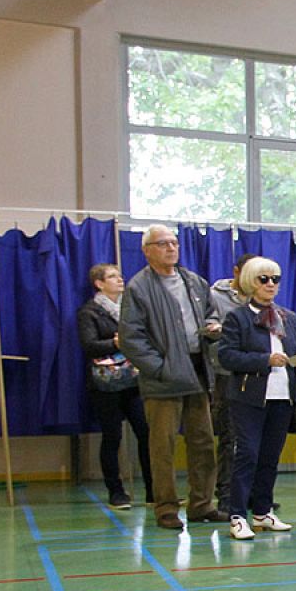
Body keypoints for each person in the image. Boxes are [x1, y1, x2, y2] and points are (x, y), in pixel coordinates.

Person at [118, 224, 224, 531]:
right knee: (162, 446)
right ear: (147, 250)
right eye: (162, 244)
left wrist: (213, 327)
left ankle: (201, 504)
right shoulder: (139, 288)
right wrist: (161, 368)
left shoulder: (194, 281)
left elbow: (211, 313)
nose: (170, 248)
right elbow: (131, 338)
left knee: (203, 441)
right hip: (163, 378)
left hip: (198, 369)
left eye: (174, 243)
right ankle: (165, 507)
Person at [217, 257, 296, 540]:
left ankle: (262, 511)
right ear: (250, 281)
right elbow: (226, 355)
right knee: (247, 454)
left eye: (275, 279)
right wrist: (264, 360)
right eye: (264, 279)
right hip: (249, 397)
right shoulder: (238, 317)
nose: (271, 284)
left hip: (283, 396)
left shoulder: (288, 317)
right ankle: (237, 515)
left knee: (270, 457)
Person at [76, 263, 153, 509]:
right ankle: (116, 491)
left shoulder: (129, 310)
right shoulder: (89, 312)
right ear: (99, 283)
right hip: (105, 384)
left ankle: (154, 490)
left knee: (146, 432)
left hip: (133, 380)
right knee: (112, 436)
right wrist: (117, 342)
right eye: (112, 277)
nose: (120, 280)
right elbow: (89, 345)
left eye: (120, 275)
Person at [207, 254, 256, 515]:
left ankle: (252, 492)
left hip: (256, 374)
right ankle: (226, 493)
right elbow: (204, 328)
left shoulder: (261, 297)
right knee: (229, 437)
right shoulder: (215, 296)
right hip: (226, 374)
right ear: (236, 271)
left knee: (254, 438)